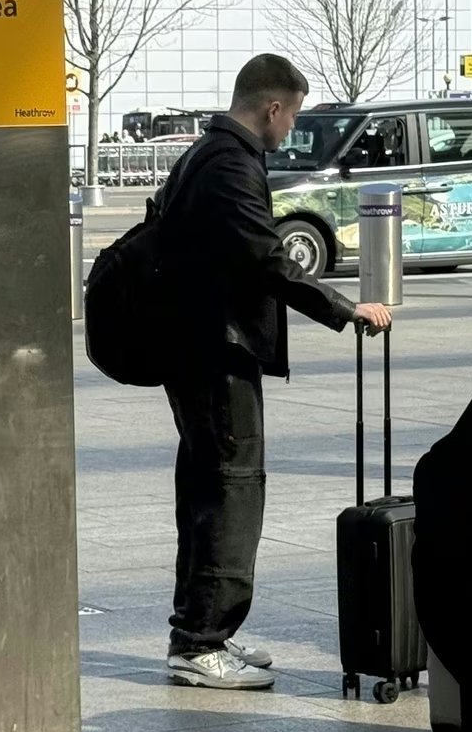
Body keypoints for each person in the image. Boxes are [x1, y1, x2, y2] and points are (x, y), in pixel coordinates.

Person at [152, 53, 393, 690]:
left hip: (197, 348)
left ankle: (204, 631)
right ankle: (201, 643)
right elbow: (266, 259)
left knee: (210, 490)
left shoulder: (206, 154)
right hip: (214, 353)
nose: (290, 132)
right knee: (231, 491)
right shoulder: (230, 163)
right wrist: (345, 308)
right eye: (291, 118)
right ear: (272, 108)